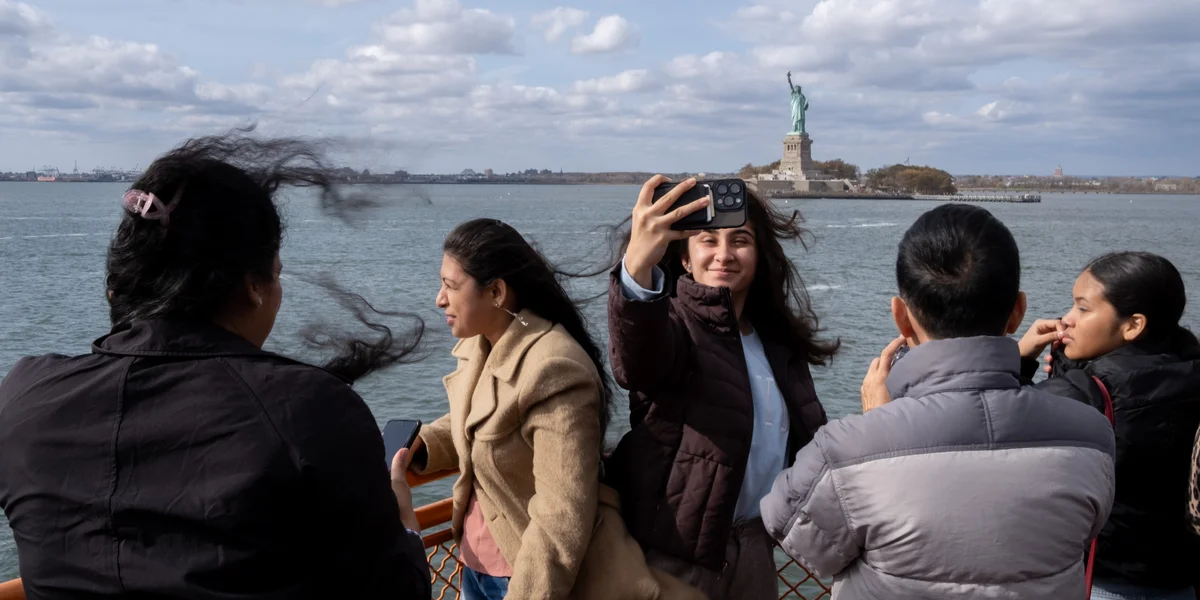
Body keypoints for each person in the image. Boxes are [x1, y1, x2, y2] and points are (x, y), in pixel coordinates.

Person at [0, 133, 432, 599]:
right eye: (276, 274)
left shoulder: (23, 398)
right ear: (253, 286)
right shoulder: (308, 408)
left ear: (124, 280)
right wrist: (406, 531)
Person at [761, 203, 1117, 599]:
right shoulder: (1093, 435)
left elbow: (793, 532)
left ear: (901, 316)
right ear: (1017, 312)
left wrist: (882, 424)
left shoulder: (846, 450)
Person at [409, 218, 702, 600]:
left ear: (496, 292)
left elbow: (560, 514)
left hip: (521, 575)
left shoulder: (554, 369)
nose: (439, 299)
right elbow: (482, 418)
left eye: (450, 286)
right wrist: (421, 445)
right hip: (475, 564)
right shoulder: (484, 343)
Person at [605, 176, 836, 600]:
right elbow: (636, 362)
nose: (724, 254)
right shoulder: (673, 325)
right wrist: (636, 269)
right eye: (708, 240)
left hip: (753, 549)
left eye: (740, 240)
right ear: (685, 258)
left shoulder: (778, 344)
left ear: (760, 256)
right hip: (675, 558)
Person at [1017, 251, 1200, 600]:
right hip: (1182, 580)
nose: (1067, 319)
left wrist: (1022, 359)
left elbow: (998, 421)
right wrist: (1075, 371)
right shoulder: (1189, 370)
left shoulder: (1088, 391)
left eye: (1083, 308)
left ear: (1133, 325)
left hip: (1105, 580)